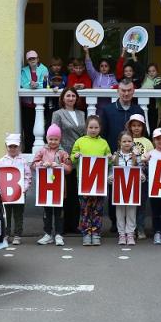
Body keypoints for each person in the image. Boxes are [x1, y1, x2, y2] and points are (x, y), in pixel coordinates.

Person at [71, 116, 112, 246]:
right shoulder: (80, 141)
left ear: (100, 128)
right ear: (86, 128)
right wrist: (75, 156)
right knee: (85, 209)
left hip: (99, 183)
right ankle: (86, 233)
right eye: (91, 127)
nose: (93, 130)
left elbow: (109, 161)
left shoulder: (104, 143)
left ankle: (96, 233)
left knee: (98, 209)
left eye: (96, 127)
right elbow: (72, 158)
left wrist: (110, 158)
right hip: (84, 183)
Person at [51, 87, 87, 235]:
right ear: (63, 98)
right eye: (68, 96)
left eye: (73, 96)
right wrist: (61, 154)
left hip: (79, 157)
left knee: (77, 192)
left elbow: (85, 134)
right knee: (66, 191)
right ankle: (64, 226)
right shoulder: (57, 114)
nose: (71, 98)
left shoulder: (82, 114)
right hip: (65, 157)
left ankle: (75, 225)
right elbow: (54, 135)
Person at [32, 123, 73, 246]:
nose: (53, 142)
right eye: (51, 139)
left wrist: (59, 165)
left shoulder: (63, 153)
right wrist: (41, 164)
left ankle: (59, 234)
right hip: (46, 188)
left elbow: (69, 168)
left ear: (59, 140)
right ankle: (48, 234)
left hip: (59, 188)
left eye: (56, 139)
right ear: (47, 139)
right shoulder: (42, 151)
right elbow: (33, 164)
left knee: (59, 212)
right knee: (47, 212)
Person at [0, 134, 31, 245]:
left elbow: (28, 176)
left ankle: (17, 234)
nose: (13, 149)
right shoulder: (2, 161)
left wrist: (23, 189)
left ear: (19, 147)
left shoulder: (23, 161)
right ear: (6, 146)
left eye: (15, 146)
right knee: (6, 214)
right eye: (10, 146)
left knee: (18, 214)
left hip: (19, 193)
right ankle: (6, 234)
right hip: (6, 194)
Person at [110, 132, 145, 245]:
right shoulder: (115, 156)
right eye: (124, 141)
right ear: (119, 142)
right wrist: (110, 178)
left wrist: (142, 176)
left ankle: (130, 234)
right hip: (119, 189)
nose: (127, 143)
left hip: (132, 189)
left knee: (131, 210)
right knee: (120, 211)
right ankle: (121, 234)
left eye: (129, 141)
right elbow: (111, 171)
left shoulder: (137, 156)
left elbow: (141, 171)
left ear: (132, 143)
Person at [125, 113, 153, 238]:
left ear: (143, 127)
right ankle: (129, 228)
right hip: (129, 173)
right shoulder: (126, 139)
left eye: (139, 126)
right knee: (130, 202)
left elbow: (152, 157)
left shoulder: (147, 142)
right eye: (134, 125)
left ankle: (140, 228)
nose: (136, 128)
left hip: (143, 174)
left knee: (141, 202)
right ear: (130, 127)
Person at [99, 79, 146, 152]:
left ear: (133, 91)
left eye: (129, 90)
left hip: (134, 157)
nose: (126, 93)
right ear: (118, 91)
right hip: (112, 155)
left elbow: (144, 134)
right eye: (123, 90)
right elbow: (102, 135)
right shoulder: (107, 110)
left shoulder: (139, 111)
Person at [19, 50, 49, 152]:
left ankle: (41, 152)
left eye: (34, 58)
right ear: (27, 61)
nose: (32, 60)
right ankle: (28, 150)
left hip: (40, 105)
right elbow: (23, 83)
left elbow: (45, 83)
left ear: (38, 59)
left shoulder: (44, 69)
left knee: (41, 128)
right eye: (30, 59)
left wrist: (36, 85)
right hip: (27, 105)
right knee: (27, 129)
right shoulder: (24, 70)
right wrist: (30, 85)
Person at [83, 48, 118, 112]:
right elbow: (89, 67)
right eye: (101, 66)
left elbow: (116, 88)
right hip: (96, 106)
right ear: (99, 67)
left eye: (106, 66)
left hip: (108, 107)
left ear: (109, 67)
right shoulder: (96, 75)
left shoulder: (112, 77)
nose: (104, 68)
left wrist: (102, 88)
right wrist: (87, 53)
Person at [143, 62, 161, 128]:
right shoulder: (145, 80)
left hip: (153, 104)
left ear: (157, 72)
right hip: (144, 103)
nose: (151, 73)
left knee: (152, 124)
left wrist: (151, 88)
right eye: (149, 71)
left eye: (153, 71)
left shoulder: (158, 79)